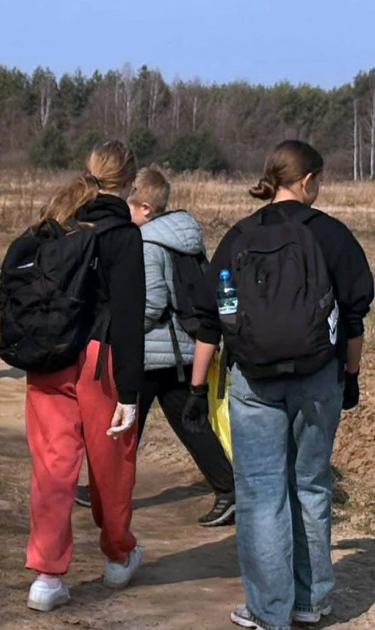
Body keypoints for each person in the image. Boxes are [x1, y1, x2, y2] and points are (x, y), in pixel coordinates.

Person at [187, 140, 373, 630]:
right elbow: (354, 319)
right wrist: (350, 377)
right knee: (310, 486)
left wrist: (195, 386)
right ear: (308, 181)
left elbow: (210, 319)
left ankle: (269, 610)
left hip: (253, 380)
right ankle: (311, 601)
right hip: (318, 379)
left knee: (261, 493)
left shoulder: (239, 236)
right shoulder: (332, 236)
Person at [21, 140, 144, 612]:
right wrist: (130, 391)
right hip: (101, 358)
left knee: (53, 469)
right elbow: (130, 316)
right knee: (111, 465)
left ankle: (47, 578)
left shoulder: (57, 221)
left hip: (47, 355)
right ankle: (117, 557)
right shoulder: (122, 233)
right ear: (129, 182)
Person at [75, 168, 236, 526]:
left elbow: (148, 305)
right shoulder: (184, 236)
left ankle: (105, 489)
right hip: (179, 350)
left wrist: (114, 328)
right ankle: (229, 488)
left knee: (121, 425)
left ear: (146, 208)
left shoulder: (146, 243)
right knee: (187, 425)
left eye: (130, 207)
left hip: (152, 352)